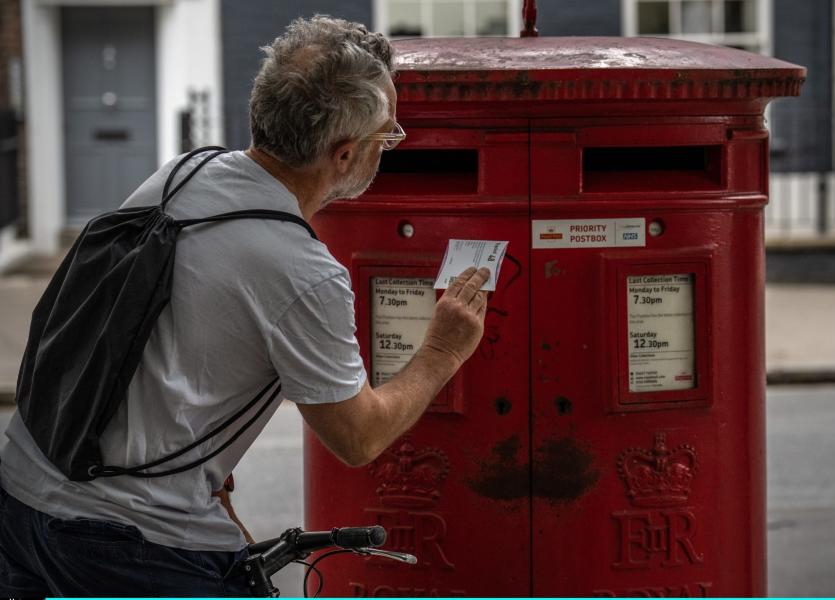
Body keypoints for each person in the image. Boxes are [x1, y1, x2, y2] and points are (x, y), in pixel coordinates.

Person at [0, 15, 489, 596]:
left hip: (22, 497)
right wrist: (441, 350)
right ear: (344, 154)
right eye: (388, 137)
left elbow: (161, 341)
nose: (389, 148)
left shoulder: (180, 175)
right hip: (126, 542)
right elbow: (358, 438)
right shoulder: (302, 270)